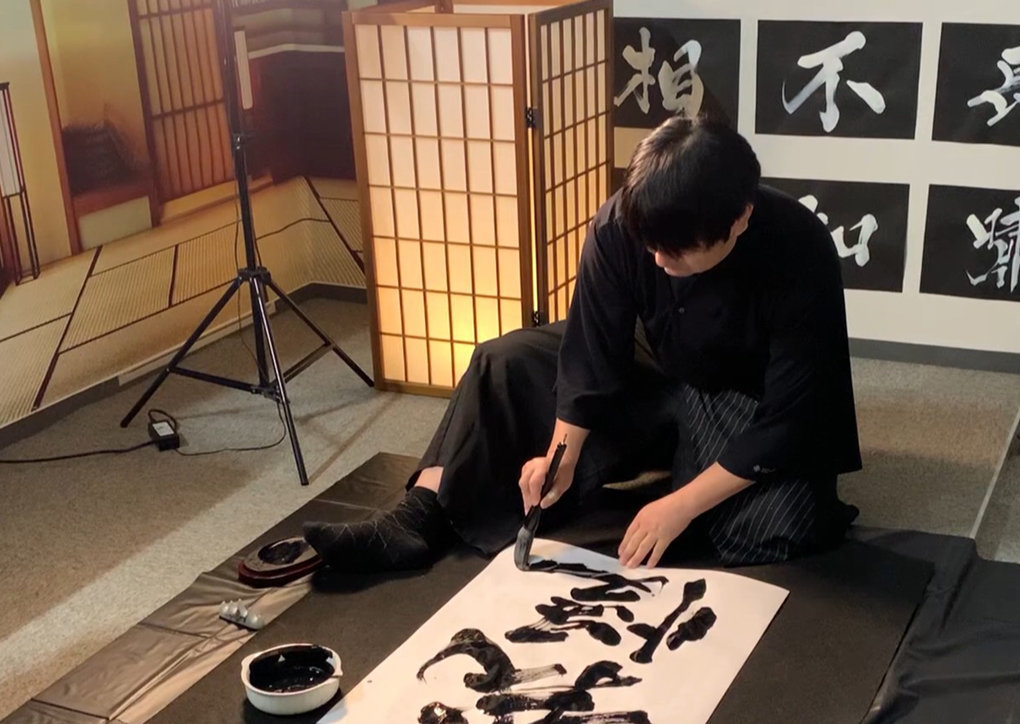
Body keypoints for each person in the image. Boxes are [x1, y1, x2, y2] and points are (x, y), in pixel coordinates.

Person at [304, 115, 861, 572]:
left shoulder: (797, 247)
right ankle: (418, 515)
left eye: (678, 254)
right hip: (653, 361)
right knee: (503, 361)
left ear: (738, 219)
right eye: (652, 250)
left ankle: (679, 471)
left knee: (771, 527)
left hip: (740, 387)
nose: (660, 264)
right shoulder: (623, 223)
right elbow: (592, 351)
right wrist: (559, 454)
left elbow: (794, 414)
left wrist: (680, 505)